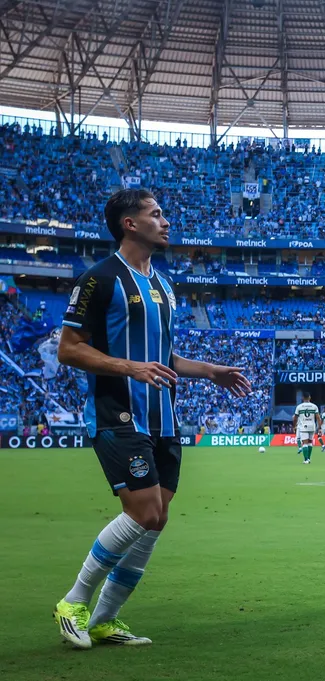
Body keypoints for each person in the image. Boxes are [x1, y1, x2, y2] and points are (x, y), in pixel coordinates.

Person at [52, 188, 251, 649]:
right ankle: (74, 600)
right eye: (156, 214)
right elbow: (69, 348)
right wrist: (130, 368)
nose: (165, 221)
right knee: (142, 511)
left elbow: (161, 357)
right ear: (130, 224)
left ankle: (105, 619)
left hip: (163, 417)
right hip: (118, 411)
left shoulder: (162, 285)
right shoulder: (99, 279)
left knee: (156, 519)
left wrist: (208, 371)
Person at [293, 392, 321, 464]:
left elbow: (295, 418)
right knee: (310, 443)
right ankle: (308, 459)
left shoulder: (299, 407)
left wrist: (294, 426)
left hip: (303, 427)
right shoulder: (314, 406)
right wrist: (320, 428)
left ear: (302, 398)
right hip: (312, 426)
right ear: (309, 397)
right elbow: (318, 417)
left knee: (305, 443)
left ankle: (305, 460)